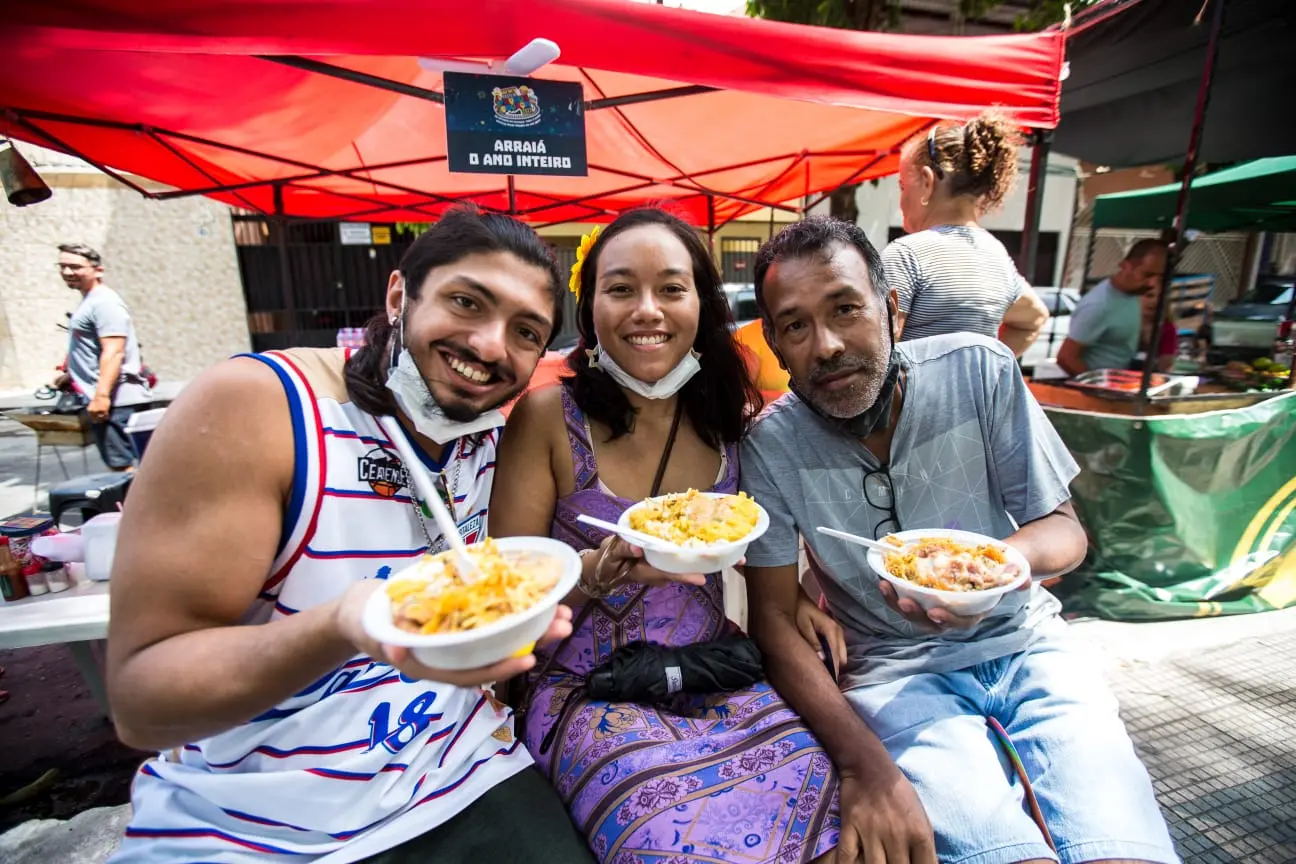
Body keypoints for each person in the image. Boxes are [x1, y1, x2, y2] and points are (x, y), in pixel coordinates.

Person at [104, 208, 596, 863]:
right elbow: (142, 702)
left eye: (525, 332)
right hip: (248, 828)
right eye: (466, 302)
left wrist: (604, 566)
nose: (488, 345)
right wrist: (342, 623)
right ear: (399, 296)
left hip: (461, 774)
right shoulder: (260, 406)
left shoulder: (486, 437)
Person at [740, 216, 1180, 864]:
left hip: (1030, 643)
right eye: (796, 326)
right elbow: (773, 617)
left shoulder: (980, 370)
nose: (828, 344)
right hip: (894, 672)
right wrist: (865, 768)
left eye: (845, 308)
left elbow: (1064, 530)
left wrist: (1002, 563)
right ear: (776, 346)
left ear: (891, 310)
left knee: (1123, 852)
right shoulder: (769, 446)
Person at [490, 208, 844, 863]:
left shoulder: (728, 419)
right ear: (588, 306)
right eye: (621, 289)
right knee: (673, 844)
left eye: (671, 289)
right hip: (588, 688)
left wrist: (790, 595)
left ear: (701, 306)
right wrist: (596, 572)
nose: (647, 310)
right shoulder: (546, 417)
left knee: (830, 827)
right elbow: (507, 600)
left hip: (717, 671)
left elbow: (740, 543)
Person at [885, 113, 1050, 357]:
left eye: (902, 186)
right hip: (978, 397)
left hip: (920, 396)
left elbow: (878, 352)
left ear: (927, 181)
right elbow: (1035, 318)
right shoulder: (996, 256)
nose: (900, 200)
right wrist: (991, 368)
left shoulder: (905, 256)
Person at [52, 244, 153, 471]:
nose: (67, 272)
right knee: (125, 465)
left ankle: (135, 506)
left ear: (98, 270)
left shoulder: (105, 302)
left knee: (125, 468)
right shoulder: (90, 301)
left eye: (75, 266)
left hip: (118, 400)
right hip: (112, 398)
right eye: (63, 266)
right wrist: (73, 374)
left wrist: (101, 396)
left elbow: (114, 350)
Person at [1057, 239, 1169, 376]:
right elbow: (1066, 358)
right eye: (1147, 275)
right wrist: (1098, 386)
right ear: (1125, 266)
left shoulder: (1134, 294)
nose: (1152, 283)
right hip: (1099, 389)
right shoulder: (1098, 305)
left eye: (1159, 277)